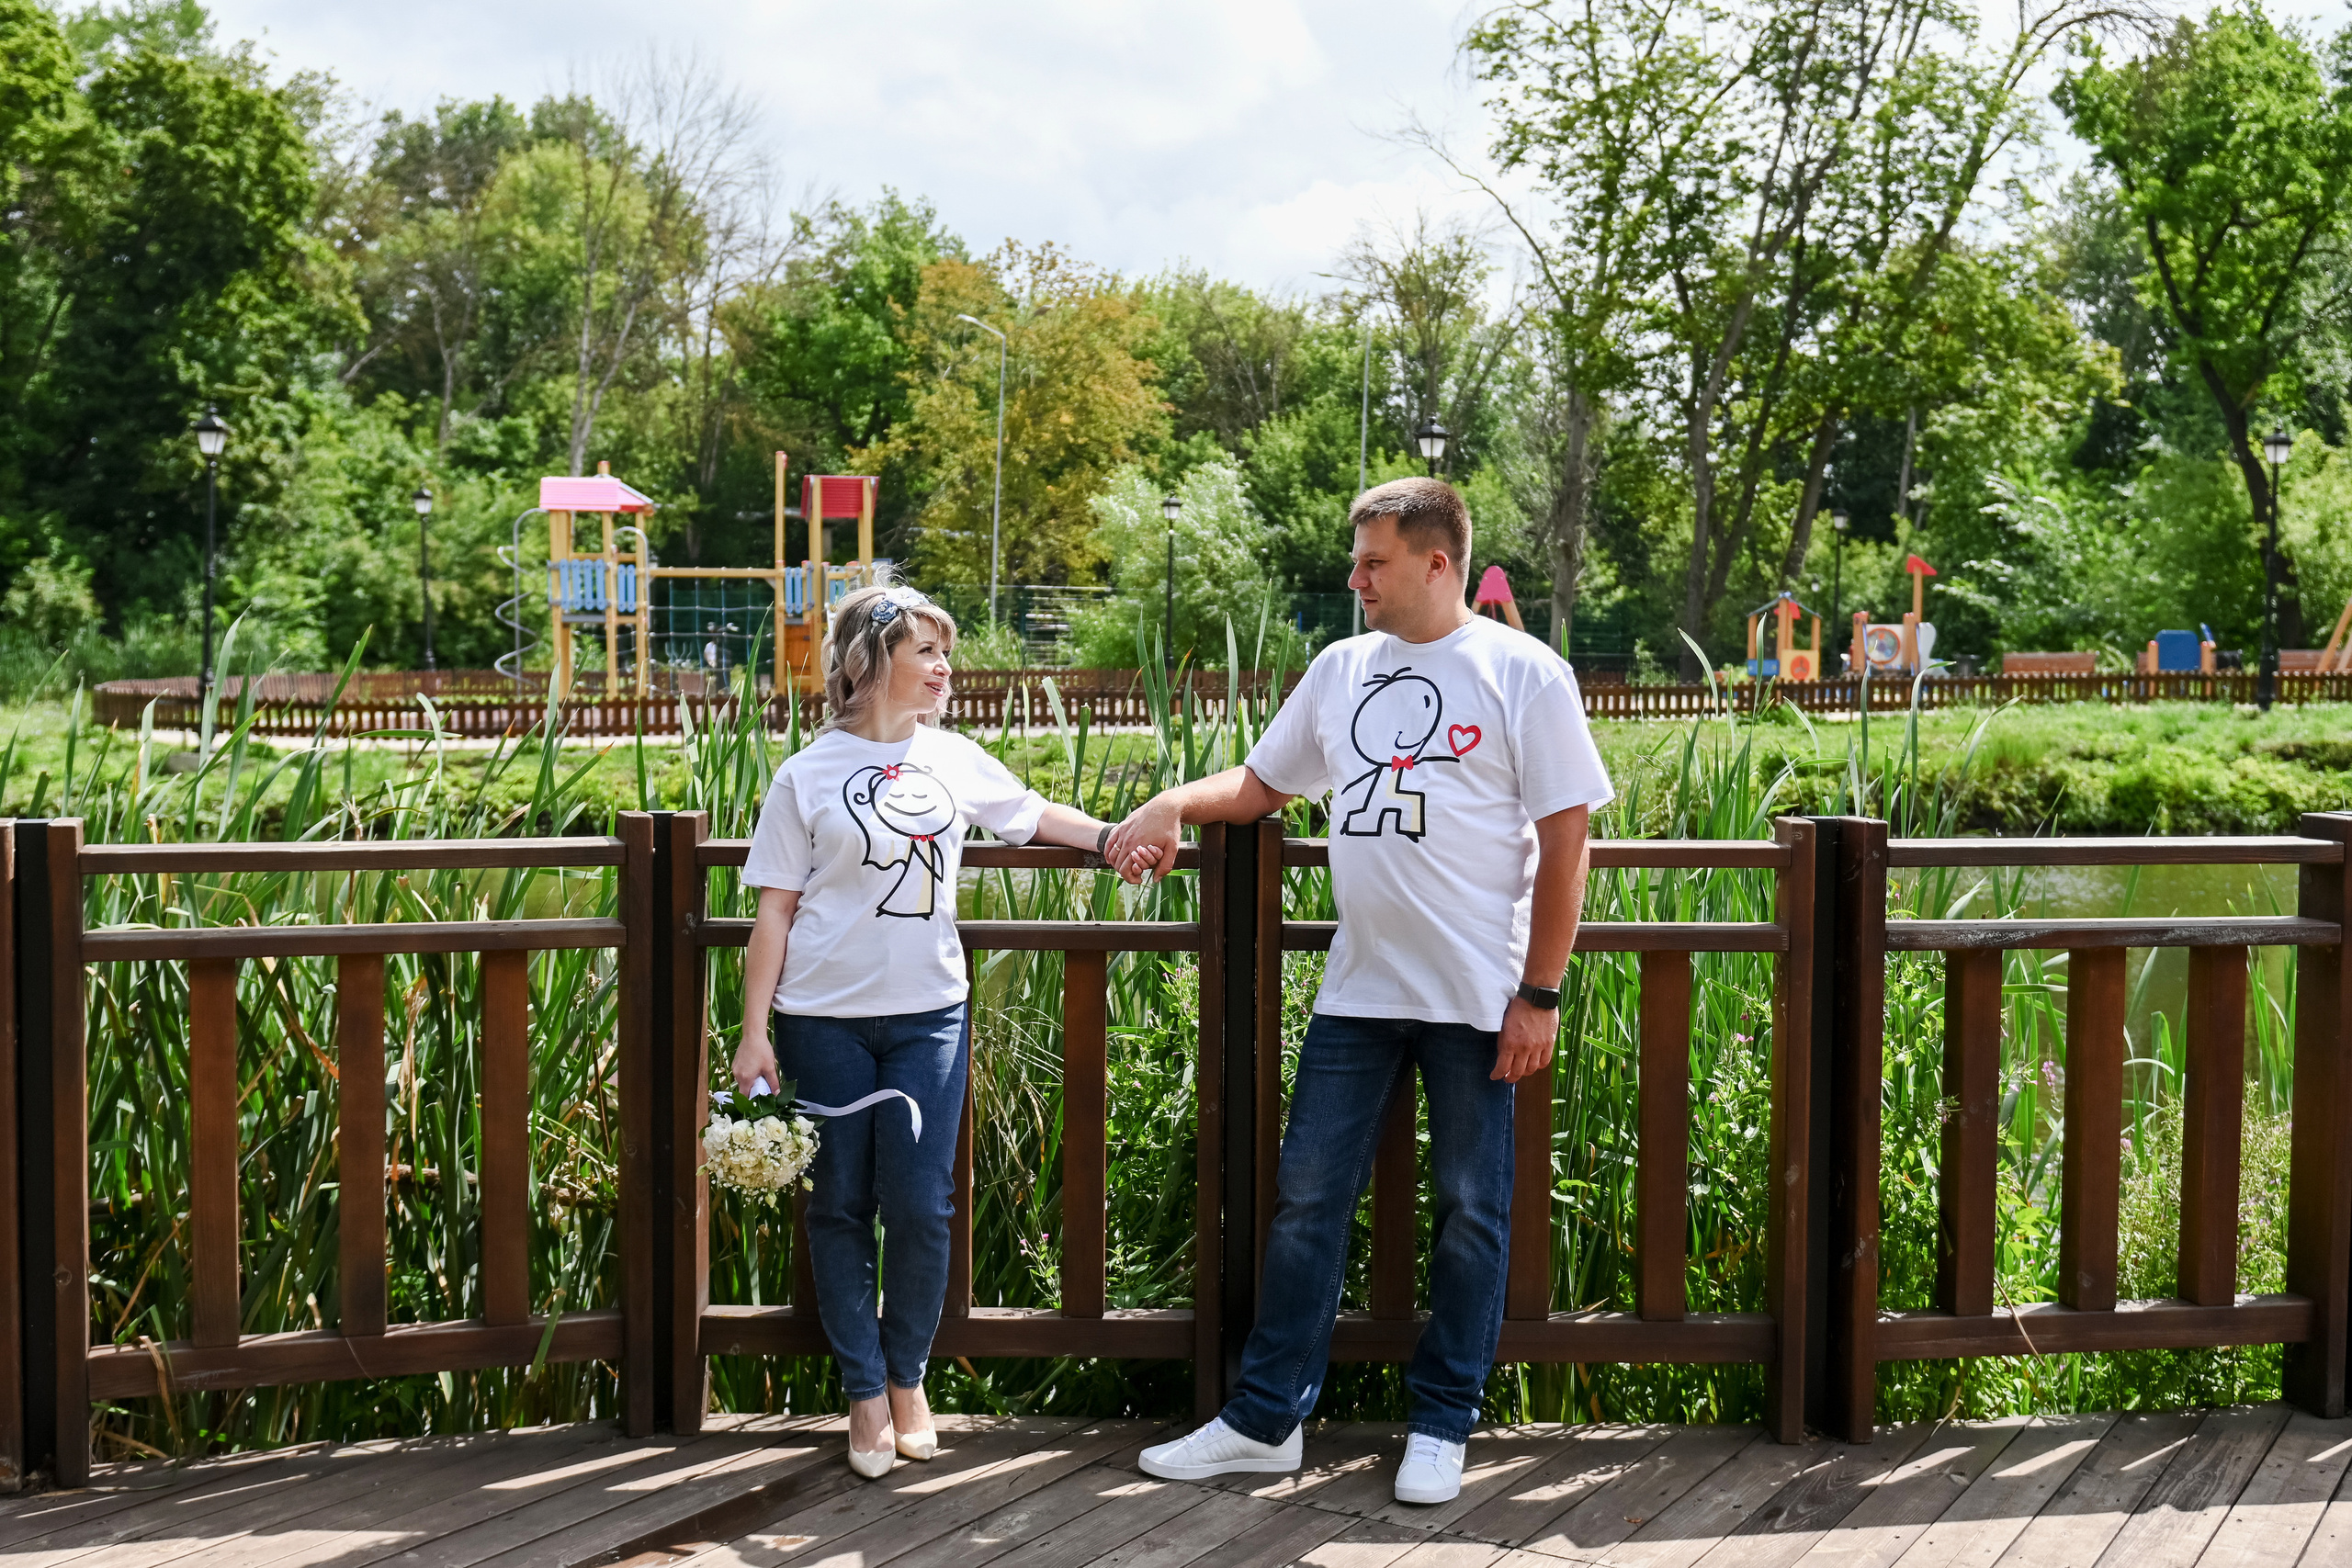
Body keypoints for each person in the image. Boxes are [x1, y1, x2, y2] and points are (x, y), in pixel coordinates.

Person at [1109, 478, 1611, 1506]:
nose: (1356, 580)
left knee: (1470, 1210)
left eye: (1373, 562)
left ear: (1438, 562)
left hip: (1480, 998)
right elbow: (1260, 786)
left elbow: (1569, 841)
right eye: (1357, 561)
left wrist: (1542, 994)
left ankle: (1441, 1421)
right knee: (1305, 1203)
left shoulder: (1525, 673)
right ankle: (1264, 1421)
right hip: (1360, 993)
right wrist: (1171, 802)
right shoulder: (1342, 670)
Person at [734, 579, 1148, 1479]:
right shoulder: (803, 775)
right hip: (820, 1021)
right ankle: (863, 1394)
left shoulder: (953, 758)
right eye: (925, 651)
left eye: (942, 651)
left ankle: (910, 1378)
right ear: (870, 660)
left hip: (928, 1017)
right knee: (838, 1205)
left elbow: (1034, 816)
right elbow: (774, 913)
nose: (943, 668)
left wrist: (1118, 836)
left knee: (921, 1208)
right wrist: (751, 1030)